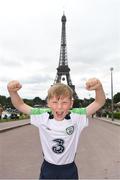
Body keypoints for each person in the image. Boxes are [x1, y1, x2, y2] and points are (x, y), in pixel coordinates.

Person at [7, 78, 105, 179]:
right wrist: (12, 92)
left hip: (69, 168)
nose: (59, 107)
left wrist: (98, 88)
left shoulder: (77, 116)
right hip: (48, 167)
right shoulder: (42, 116)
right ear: (48, 103)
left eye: (64, 102)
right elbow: (20, 105)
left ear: (71, 103)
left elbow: (99, 102)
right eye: (54, 102)